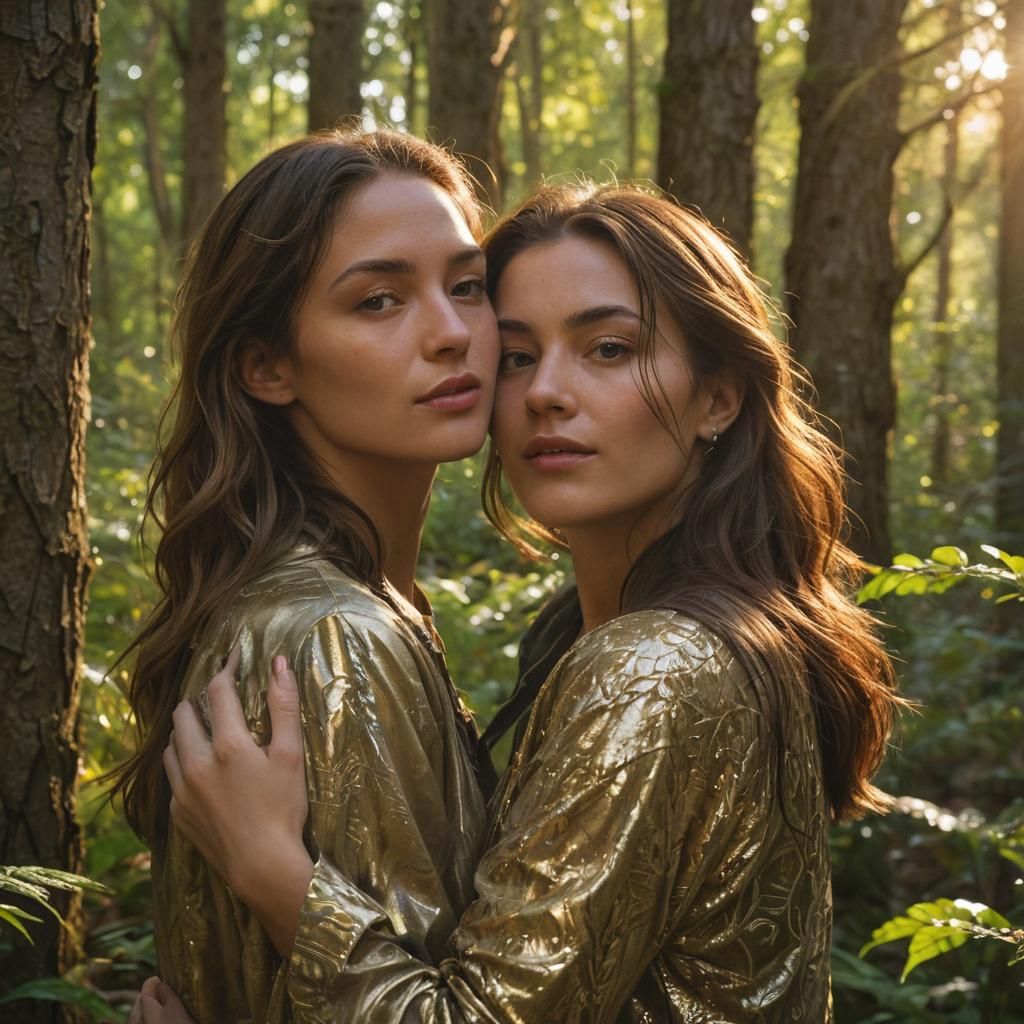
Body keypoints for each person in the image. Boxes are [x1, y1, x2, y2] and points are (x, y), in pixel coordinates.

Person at [140, 183, 903, 1022]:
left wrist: (273, 872)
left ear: (718, 398)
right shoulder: (601, 636)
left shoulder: (656, 667)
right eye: (514, 354)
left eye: (608, 349)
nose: (546, 391)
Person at [112, 127, 503, 1024]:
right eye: (379, 301)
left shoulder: (356, 602)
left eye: (468, 286)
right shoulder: (336, 638)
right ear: (267, 366)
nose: (452, 334)